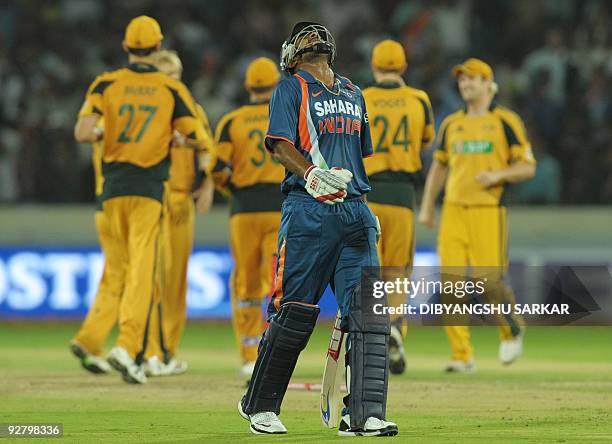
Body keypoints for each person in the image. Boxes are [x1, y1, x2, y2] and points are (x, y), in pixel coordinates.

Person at [236, 22, 398, 437]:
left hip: (355, 215)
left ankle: (362, 414)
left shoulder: (354, 92)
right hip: (307, 211)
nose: (312, 39)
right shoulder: (291, 88)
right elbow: (278, 144)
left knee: (369, 313)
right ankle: (260, 405)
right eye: (303, 35)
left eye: (315, 34)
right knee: (294, 312)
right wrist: (310, 174)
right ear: (292, 52)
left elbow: (357, 158)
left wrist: (363, 206)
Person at [74, 16, 207, 384]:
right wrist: (176, 139)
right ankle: (129, 346)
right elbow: (198, 137)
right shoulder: (170, 89)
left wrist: (109, 129)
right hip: (149, 190)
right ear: (159, 47)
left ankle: (95, 341)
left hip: (111, 190)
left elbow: (83, 131)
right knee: (143, 273)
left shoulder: (106, 83)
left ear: (125, 46)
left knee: (117, 270)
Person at [419, 58, 536, 372]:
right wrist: (429, 206)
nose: (465, 85)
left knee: (489, 282)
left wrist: (497, 175)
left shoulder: (505, 121)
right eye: (462, 80)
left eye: (472, 79)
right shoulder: (451, 123)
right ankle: (461, 355)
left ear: (488, 83)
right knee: (452, 285)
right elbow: (439, 167)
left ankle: (510, 329)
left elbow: (527, 166)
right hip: (454, 211)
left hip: (488, 211)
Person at [363, 39, 435, 375]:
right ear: (404, 67)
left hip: (368, 195)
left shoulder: (361, 98)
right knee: (397, 275)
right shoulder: (418, 99)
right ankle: (393, 328)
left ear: (374, 66)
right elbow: (425, 140)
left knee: (366, 272)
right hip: (404, 197)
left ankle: (363, 341)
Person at [143, 49, 216, 376]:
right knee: (154, 277)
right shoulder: (148, 110)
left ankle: (168, 351)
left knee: (176, 281)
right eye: (167, 76)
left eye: (177, 75)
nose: (173, 82)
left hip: (183, 198)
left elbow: (207, 149)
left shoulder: (193, 110)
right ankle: (150, 353)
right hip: (155, 196)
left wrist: (208, 184)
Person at [211, 57, 284, 380]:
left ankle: (248, 353)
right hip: (280, 207)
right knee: (276, 281)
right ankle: (274, 352)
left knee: (246, 283)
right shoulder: (287, 116)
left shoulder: (232, 121)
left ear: (247, 86)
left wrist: (234, 191)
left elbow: (216, 169)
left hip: (243, 210)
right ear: (276, 84)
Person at [69, 118, 122, 375]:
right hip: (125, 202)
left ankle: (91, 343)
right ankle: (138, 350)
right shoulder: (125, 118)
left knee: (114, 277)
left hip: (104, 202)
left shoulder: (102, 120)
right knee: (134, 279)